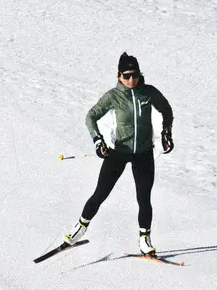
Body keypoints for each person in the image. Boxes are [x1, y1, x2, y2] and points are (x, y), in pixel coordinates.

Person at [64, 53, 174, 256]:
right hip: (119, 152)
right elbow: (91, 116)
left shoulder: (148, 92)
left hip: (143, 153)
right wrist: (98, 140)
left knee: (144, 198)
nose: (131, 80)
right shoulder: (113, 96)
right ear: (119, 75)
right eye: (126, 76)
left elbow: (166, 110)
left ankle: (144, 240)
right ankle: (81, 226)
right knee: (101, 193)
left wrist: (167, 132)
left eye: (135, 75)